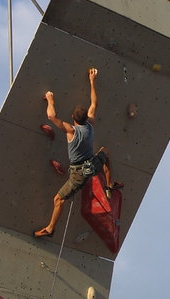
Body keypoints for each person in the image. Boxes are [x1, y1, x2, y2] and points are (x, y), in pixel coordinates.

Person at [34, 68, 123, 238]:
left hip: (78, 174)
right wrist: (92, 81)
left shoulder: (71, 131)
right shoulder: (90, 124)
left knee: (58, 200)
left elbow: (51, 116)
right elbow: (94, 103)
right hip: (93, 164)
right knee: (106, 151)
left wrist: (50, 99)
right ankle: (109, 184)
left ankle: (50, 229)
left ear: (73, 118)